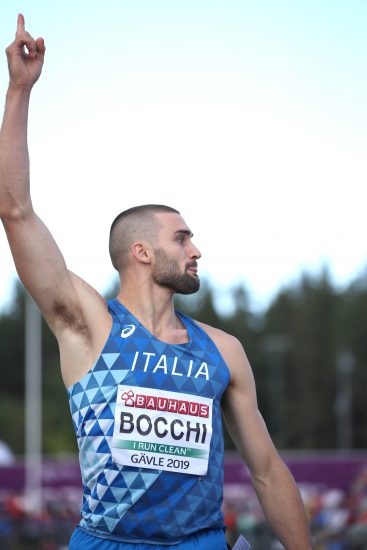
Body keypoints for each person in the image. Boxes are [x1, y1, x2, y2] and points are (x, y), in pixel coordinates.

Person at [0, 14, 313, 550]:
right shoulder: (91, 324)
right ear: (141, 253)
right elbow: (16, 211)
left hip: (203, 541)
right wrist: (20, 91)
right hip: (107, 541)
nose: (196, 251)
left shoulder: (224, 351)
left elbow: (266, 472)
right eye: (182, 239)